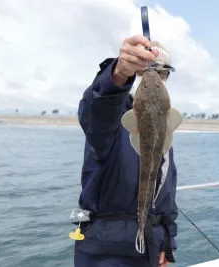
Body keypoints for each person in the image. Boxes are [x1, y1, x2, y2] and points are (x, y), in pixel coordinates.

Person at [74, 35, 179, 267]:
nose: (156, 77)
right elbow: (98, 106)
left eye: (163, 72)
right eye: (143, 70)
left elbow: (167, 191)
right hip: (107, 251)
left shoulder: (165, 128)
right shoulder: (109, 120)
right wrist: (119, 73)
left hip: (152, 246)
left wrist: (168, 239)